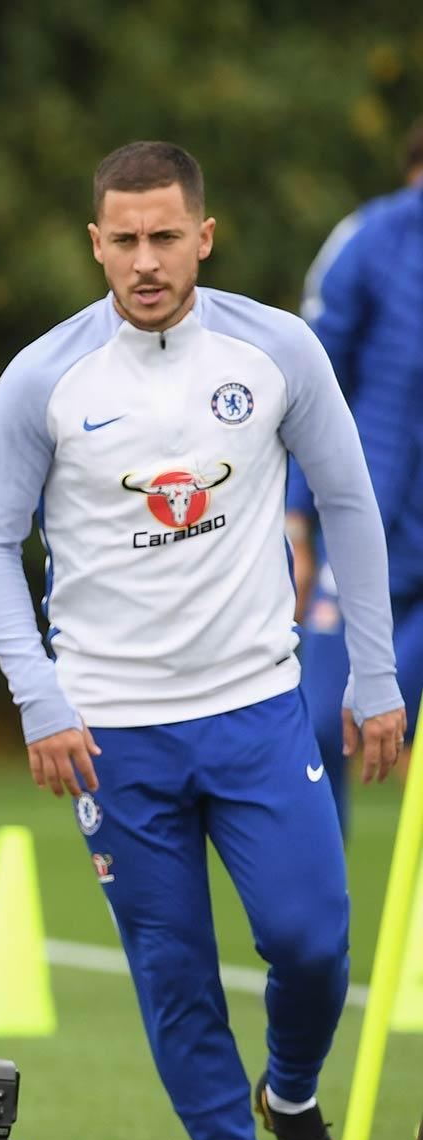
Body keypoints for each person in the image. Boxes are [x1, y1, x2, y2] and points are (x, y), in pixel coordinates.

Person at [0, 143, 407, 1140]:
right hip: (110, 732)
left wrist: (370, 677)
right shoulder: (44, 378)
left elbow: (350, 507)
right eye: (123, 239)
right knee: (172, 972)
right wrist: (39, 698)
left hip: (258, 707)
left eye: (165, 237)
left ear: (202, 236)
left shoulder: (274, 349)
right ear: (93, 244)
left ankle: (291, 1098)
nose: (145, 261)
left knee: (310, 944)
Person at [287, 118, 423, 831]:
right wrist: (296, 520)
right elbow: (312, 383)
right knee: (319, 720)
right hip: (365, 527)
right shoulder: (372, 240)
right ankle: (315, 911)